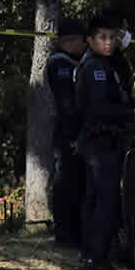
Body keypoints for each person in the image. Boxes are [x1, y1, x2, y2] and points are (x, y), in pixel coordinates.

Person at [75, 14, 135, 270]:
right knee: (103, 200)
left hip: (106, 139)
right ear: (90, 40)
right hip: (98, 140)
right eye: (102, 38)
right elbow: (100, 107)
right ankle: (95, 256)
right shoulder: (95, 68)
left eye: (111, 38)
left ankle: (94, 254)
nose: (108, 43)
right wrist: (130, 114)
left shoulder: (107, 64)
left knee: (99, 199)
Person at [46, 18, 86, 246]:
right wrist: (73, 136)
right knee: (66, 184)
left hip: (74, 133)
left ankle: (75, 232)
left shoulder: (72, 63)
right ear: (71, 41)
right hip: (67, 134)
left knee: (77, 183)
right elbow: (66, 104)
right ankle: (65, 234)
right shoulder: (60, 64)